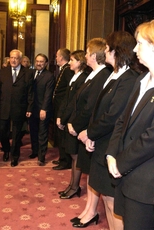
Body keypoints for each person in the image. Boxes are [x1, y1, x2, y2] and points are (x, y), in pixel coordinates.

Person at [73, 31, 139, 229]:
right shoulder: (115, 75)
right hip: (101, 143)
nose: (106, 51)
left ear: (117, 51)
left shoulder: (128, 78)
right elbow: (100, 109)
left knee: (112, 202)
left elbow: (113, 115)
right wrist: (92, 134)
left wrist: (90, 133)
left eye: (108, 48)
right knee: (107, 202)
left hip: (111, 145)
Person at [106, 20, 154, 230]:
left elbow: (151, 138)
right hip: (127, 175)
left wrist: (120, 163)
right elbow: (122, 122)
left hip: (146, 182)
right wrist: (111, 154)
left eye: (140, 43)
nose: (135, 49)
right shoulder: (141, 79)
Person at [58, 38, 111, 200]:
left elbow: (90, 106)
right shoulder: (93, 74)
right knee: (78, 159)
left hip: (85, 127)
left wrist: (75, 124)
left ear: (94, 56)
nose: (85, 56)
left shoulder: (102, 75)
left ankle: (76, 189)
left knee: (82, 162)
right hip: (79, 124)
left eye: (87, 53)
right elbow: (76, 100)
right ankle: (73, 187)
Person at [0, 49, 33, 167]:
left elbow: (30, 92)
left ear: (20, 60)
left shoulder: (28, 73)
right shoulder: (3, 72)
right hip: (4, 107)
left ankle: (14, 156)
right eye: (11, 58)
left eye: (16, 58)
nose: (13, 60)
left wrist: (29, 108)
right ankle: (6, 150)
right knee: (1, 132)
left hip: (19, 108)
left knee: (16, 135)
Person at [56, 50, 88, 170]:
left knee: (74, 153)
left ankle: (74, 185)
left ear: (80, 62)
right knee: (69, 150)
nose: (69, 62)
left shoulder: (82, 78)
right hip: (67, 116)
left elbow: (74, 102)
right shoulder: (74, 76)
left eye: (72, 60)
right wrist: (60, 116)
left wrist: (64, 119)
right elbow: (66, 99)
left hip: (73, 118)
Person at [28, 53, 55, 166]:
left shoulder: (49, 76)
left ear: (46, 63)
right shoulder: (32, 73)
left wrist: (44, 109)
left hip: (43, 109)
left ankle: (41, 156)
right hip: (32, 109)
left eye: (41, 62)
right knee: (33, 131)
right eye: (37, 61)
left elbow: (48, 95)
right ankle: (35, 151)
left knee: (42, 133)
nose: (39, 63)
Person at [52, 48, 74, 170]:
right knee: (59, 135)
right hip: (59, 106)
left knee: (62, 135)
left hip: (63, 107)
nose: (56, 58)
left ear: (61, 57)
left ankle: (65, 161)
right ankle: (62, 158)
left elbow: (68, 91)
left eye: (56, 56)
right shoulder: (64, 69)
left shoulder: (67, 70)